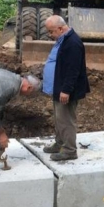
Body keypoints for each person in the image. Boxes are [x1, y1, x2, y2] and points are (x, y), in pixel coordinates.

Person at [41, 15, 90, 161]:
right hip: (58, 87)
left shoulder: (73, 43)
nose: (50, 35)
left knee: (66, 120)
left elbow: (73, 70)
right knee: (59, 118)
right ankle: (60, 143)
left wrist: (66, 90)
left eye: (51, 31)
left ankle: (69, 150)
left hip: (66, 90)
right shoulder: (63, 40)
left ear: (61, 29)